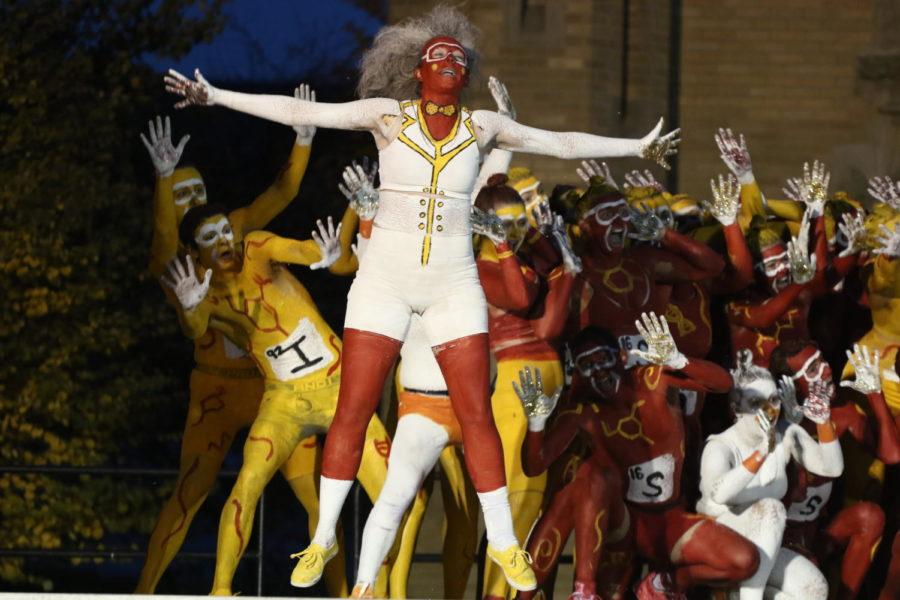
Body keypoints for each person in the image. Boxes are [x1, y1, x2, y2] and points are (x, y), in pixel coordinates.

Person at [163, 5, 679, 590]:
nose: (452, 61)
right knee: (353, 410)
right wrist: (219, 96)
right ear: (418, 70)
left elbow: (556, 141)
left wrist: (636, 145)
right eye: (440, 55)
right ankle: (322, 537)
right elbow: (305, 111)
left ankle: (506, 545)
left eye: (460, 57)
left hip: (452, 282)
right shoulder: (388, 116)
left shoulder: (482, 126)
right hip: (384, 279)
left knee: (476, 412)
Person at [134, 106, 349, 595]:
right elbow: (166, 243)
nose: (189, 201)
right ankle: (144, 592)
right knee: (191, 490)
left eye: (195, 192)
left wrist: (302, 140)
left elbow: (282, 193)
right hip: (215, 387)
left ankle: (344, 592)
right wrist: (163, 178)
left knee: (316, 499)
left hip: (271, 383)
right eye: (177, 194)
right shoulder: (175, 256)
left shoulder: (230, 231)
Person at [160, 205, 393, 595]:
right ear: (192, 252)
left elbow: (303, 251)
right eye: (210, 237)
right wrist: (187, 306)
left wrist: (325, 254)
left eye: (224, 230)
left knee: (392, 492)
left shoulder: (256, 248)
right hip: (285, 399)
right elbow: (196, 327)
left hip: (338, 385)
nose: (223, 240)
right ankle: (220, 590)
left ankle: (375, 589)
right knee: (248, 481)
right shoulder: (203, 294)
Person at [697, 349, 844, 599]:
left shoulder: (785, 433)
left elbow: (831, 468)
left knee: (814, 589)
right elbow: (720, 494)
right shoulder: (720, 445)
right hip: (718, 542)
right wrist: (762, 451)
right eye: (756, 403)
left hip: (762, 546)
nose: (768, 410)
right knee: (772, 508)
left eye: (774, 400)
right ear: (737, 409)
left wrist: (823, 421)